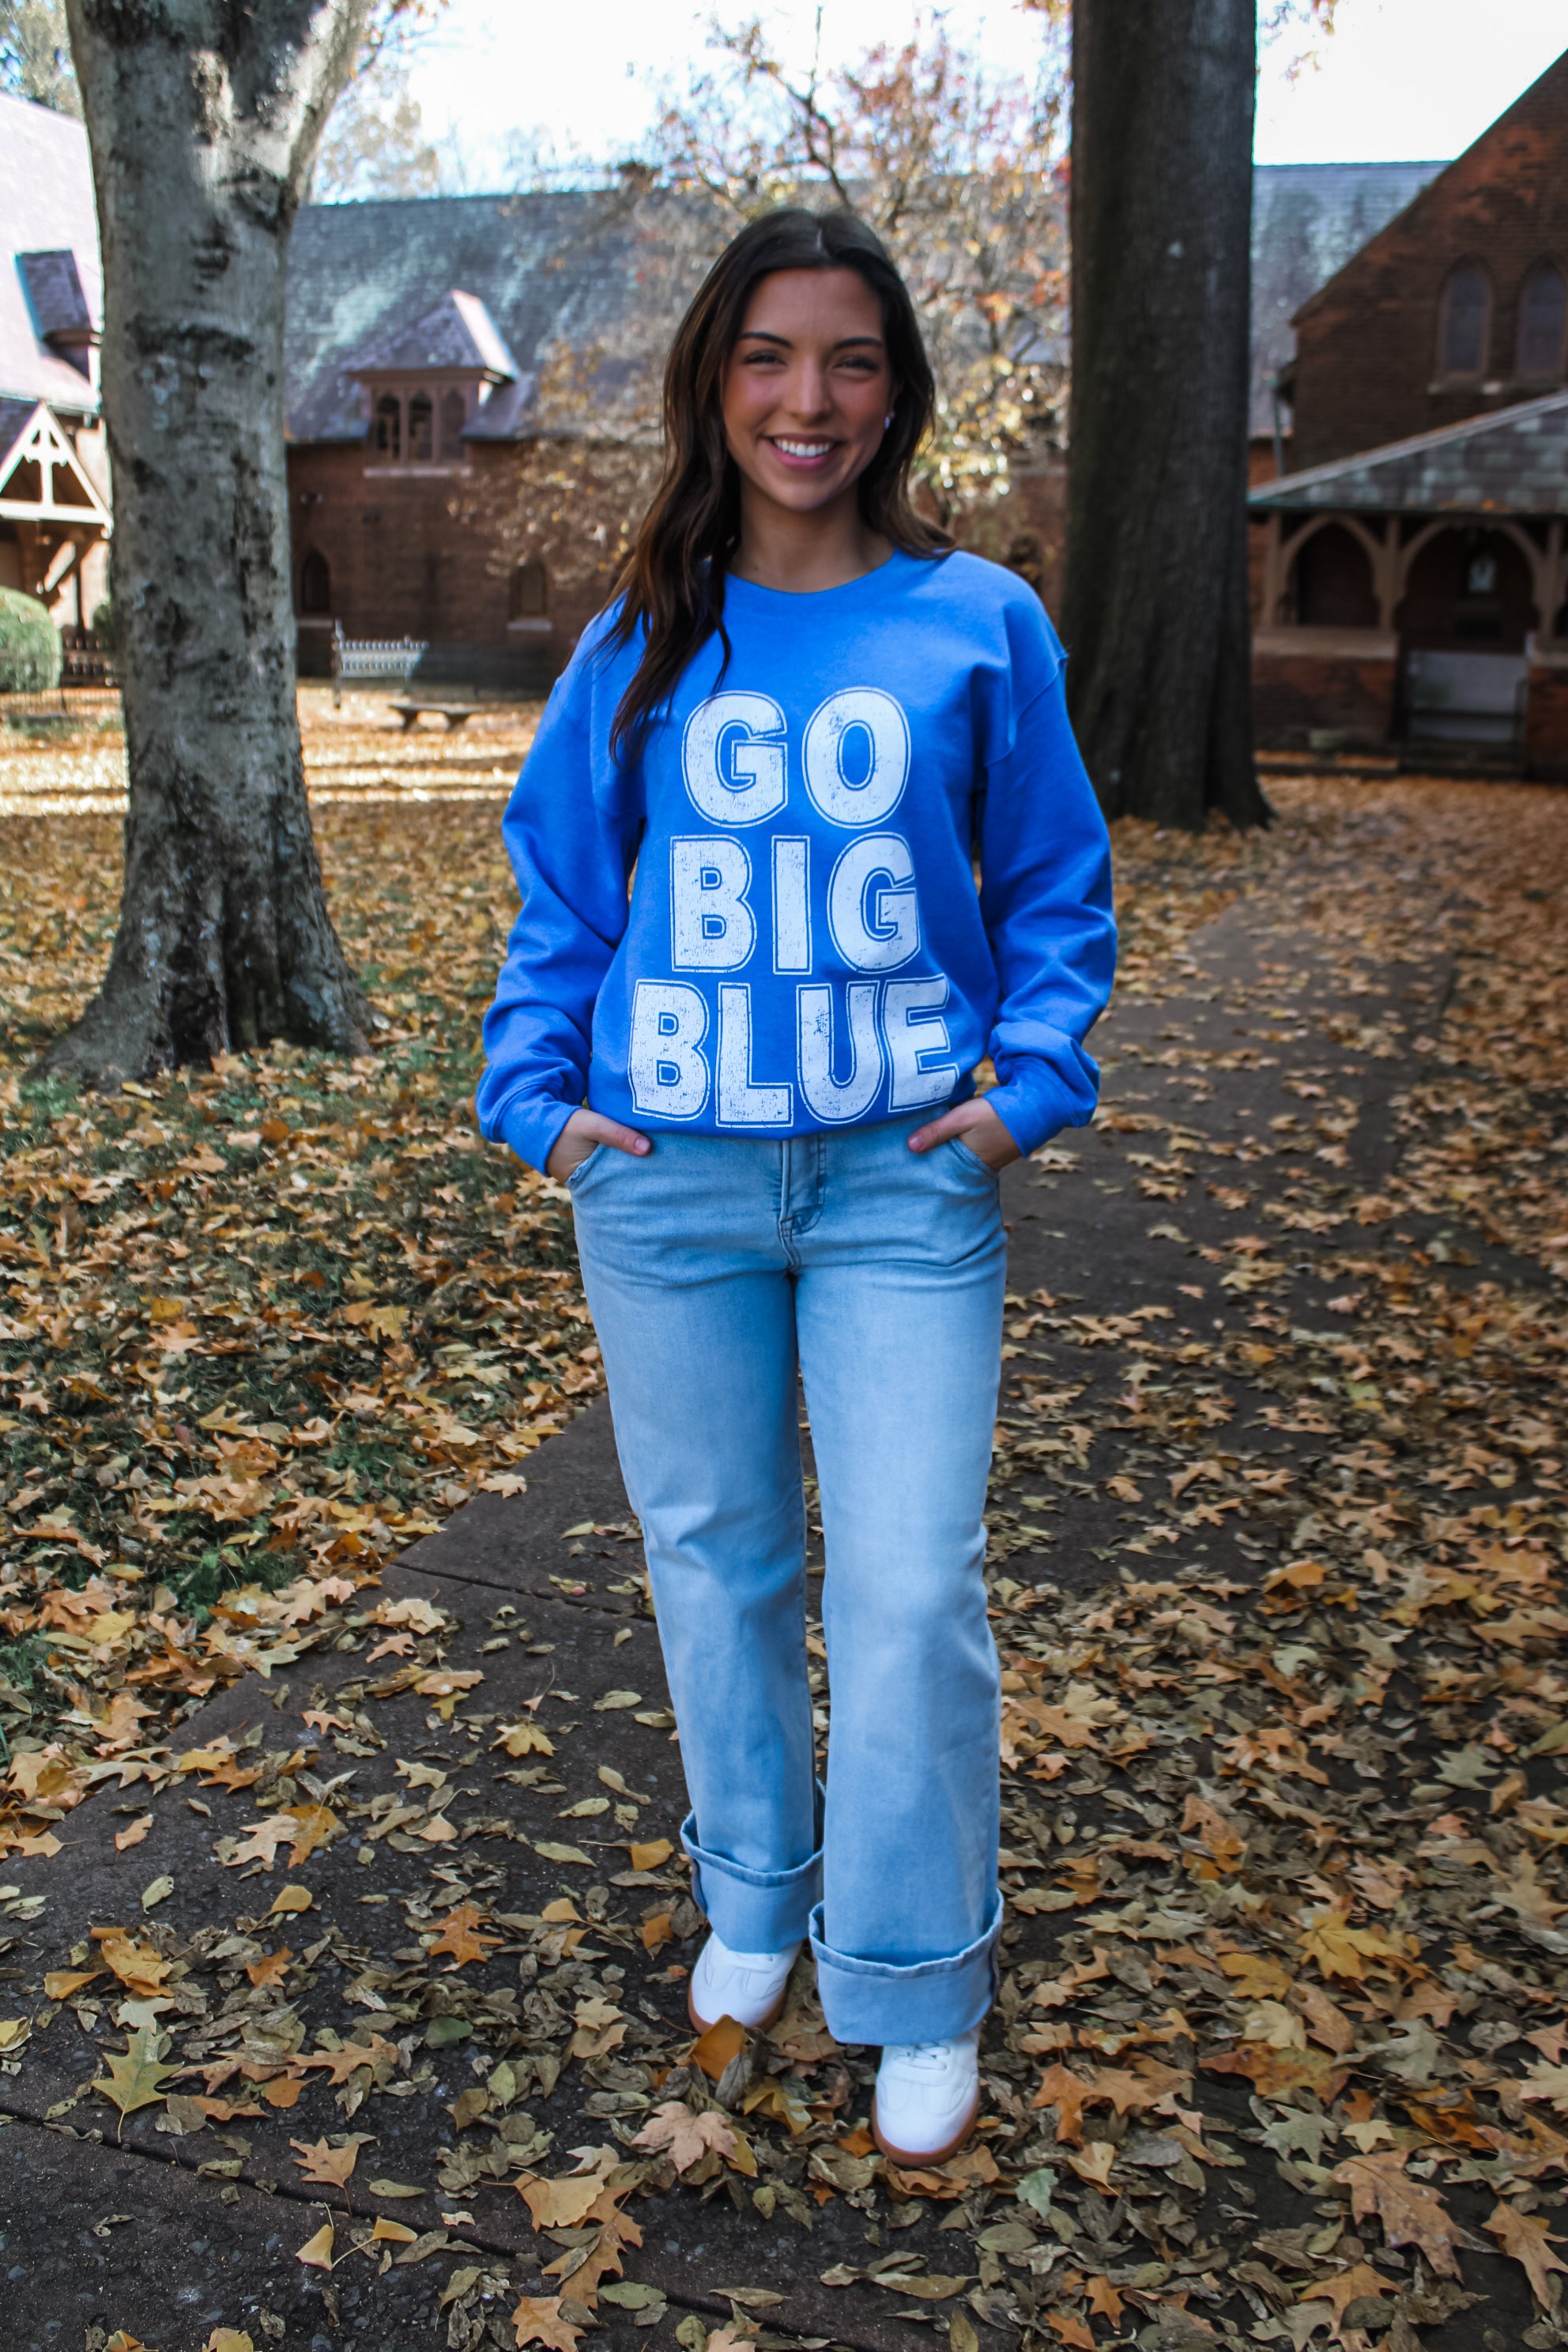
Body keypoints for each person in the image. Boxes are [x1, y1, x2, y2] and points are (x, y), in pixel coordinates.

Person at [477, 208, 1115, 2165]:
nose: (806, 399)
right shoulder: (637, 640)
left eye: (847, 359)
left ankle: (910, 1970)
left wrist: (1027, 1088)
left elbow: (1053, 881)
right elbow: (563, 896)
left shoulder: (977, 619)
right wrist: (535, 1102)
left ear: (895, 391)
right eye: (766, 356)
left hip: (897, 1188)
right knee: (716, 1560)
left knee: (910, 1585)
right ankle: (754, 1889)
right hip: (665, 1186)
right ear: (714, 382)